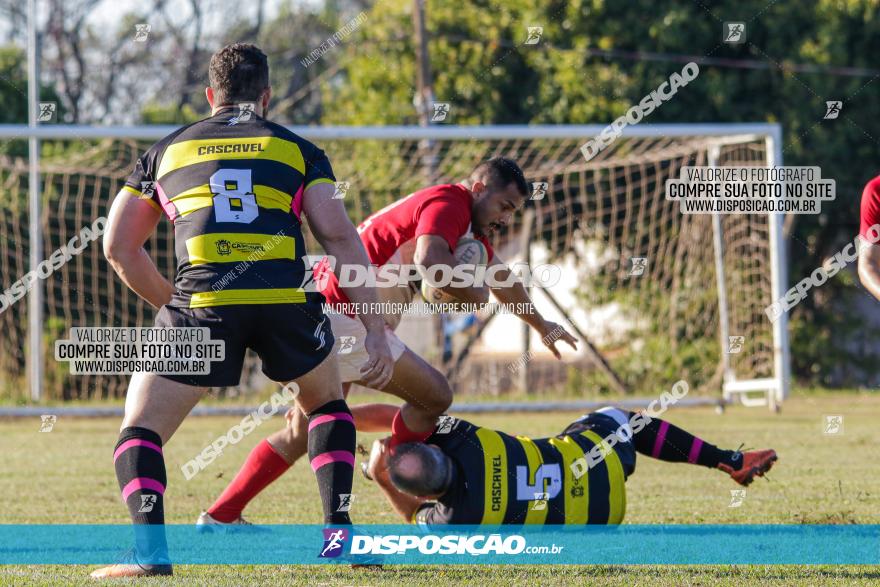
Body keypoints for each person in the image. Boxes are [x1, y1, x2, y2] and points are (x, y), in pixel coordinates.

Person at [91, 43, 394, 578]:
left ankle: (151, 554)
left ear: (210, 95)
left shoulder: (166, 152)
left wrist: (176, 308)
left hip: (203, 302)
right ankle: (338, 538)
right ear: (267, 97)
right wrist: (375, 329)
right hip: (285, 300)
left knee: (138, 431)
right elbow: (342, 238)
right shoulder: (299, 151)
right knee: (326, 408)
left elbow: (118, 247)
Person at [196, 157, 579, 528]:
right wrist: (471, 293)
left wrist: (541, 324)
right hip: (348, 318)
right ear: (478, 189)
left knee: (303, 430)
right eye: (504, 206)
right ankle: (385, 460)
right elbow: (431, 261)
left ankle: (219, 516)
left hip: (329, 310)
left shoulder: (463, 223)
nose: (506, 218)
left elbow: (501, 278)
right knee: (435, 397)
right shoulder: (449, 203)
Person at [364, 406, 778, 525]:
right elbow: (399, 413)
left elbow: (414, 515)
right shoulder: (467, 439)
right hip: (600, 457)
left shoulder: (455, 520)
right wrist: (342, 411)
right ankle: (730, 461)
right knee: (622, 416)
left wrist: (382, 476)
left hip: (602, 518)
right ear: (438, 450)